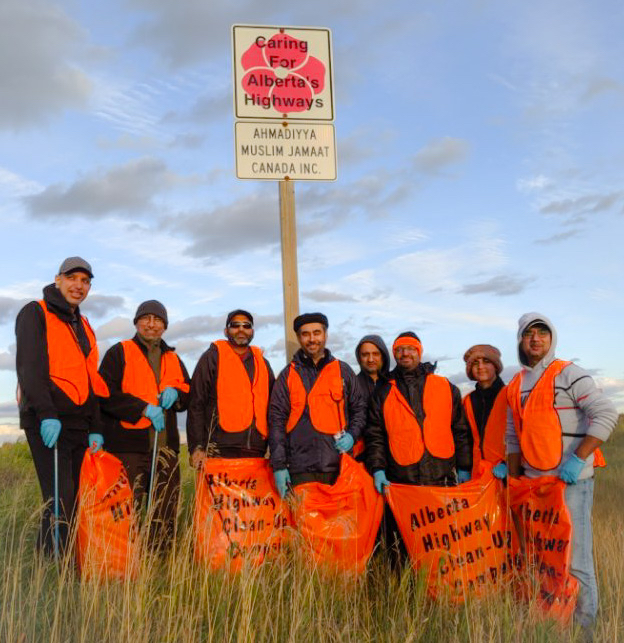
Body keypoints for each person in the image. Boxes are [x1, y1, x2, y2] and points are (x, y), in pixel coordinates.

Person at [506, 313, 617, 633]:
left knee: (577, 562)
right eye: (529, 334)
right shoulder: (516, 385)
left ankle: (585, 633)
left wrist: (577, 459)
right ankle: (556, 628)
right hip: (534, 488)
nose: (536, 339)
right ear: (521, 341)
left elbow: (605, 413)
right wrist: (515, 479)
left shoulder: (569, 373)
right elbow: (513, 436)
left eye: (542, 333)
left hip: (571, 484)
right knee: (546, 560)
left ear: (551, 338)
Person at [15, 257, 109, 556]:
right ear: (58, 280)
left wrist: (96, 427)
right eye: (72, 278)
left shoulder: (83, 325)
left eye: (85, 281)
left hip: (80, 425)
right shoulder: (35, 312)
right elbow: (30, 367)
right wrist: (46, 414)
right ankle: (53, 571)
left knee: (77, 499)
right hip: (48, 422)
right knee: (59, 499)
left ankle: (68, 565)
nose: (78, 285)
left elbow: (91, 378)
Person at [99, 300, 190, 551]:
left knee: (166, 505)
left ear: (165, 325)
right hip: (129, 446)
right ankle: (127, 557)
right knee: (130, 506)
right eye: (146, 318)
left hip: (166, 448)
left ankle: (160, 559)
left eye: (158, 320)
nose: (151, 324)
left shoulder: (173, 357)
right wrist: (142, 408)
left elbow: (188, 393)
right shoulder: (119, 352)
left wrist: (177, 393)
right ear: (136, 322)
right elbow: (105, 394)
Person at [268, 313, 366, 498]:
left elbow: (359, 408)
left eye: (316, 333)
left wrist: (353, 435)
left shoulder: (343, 371)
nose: (312, 339)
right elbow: (276, 422)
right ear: (298, 338)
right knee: (304, 526)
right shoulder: (287, 376)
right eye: (305, 334)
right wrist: (279, 466)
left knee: (339, 525)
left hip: (339, 467)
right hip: (300, 471)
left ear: (325, 335)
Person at [366, 332, 472, 491]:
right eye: (400, 349)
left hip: (443, 481)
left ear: (419, 352)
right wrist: (377, 468)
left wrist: (464, 465)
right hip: (402, 483)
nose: (405, 353)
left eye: (411, 348)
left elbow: (460, 430)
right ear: (394, 354)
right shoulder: (382, 393)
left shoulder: (446, 387)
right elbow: (375, 436)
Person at [186, 309, 274, 468]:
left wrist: (273, 447)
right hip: (219, 450)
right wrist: (196, 447)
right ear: (226, 331)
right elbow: (196, 403)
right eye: (235, 325)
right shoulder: (212, 357)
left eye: (246, 326)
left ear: (252, 331)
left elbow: (274, 408)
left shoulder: (263, 363)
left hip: (257, 450)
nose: (241, 329)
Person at [462, 344, 507, 479]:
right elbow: (464, 438)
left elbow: (523, 434)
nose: (480, 367)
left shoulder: (510, 395)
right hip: (477, 473)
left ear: (496, 366)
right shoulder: (467, 401)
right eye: (475, 363)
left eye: (486, 361)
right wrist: (464, 467)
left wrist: (508, 463)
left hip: (506, 474)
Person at [355, 335, 390, 405]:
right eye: (365, 355)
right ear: (359, 358)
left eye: (376, 354)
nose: (370, 359)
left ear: (383, 356)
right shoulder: (351, 386)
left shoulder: (394, 384)